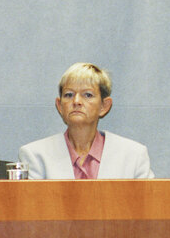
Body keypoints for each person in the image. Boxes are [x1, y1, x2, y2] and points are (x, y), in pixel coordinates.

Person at [19, 62, 154, 179]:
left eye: (87, 95)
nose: (76, 101)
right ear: (60, 105)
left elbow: (149, 206)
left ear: (104, 106)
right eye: (69, 95)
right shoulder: (35, 155)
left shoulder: (134, 155)